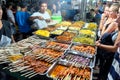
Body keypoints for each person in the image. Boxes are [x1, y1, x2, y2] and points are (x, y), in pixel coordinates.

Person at [96, 6, 120, 79]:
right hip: (110, 56)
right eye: (118, 13)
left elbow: (115, 48)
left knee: (105, 73)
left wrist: (100, 45)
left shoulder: (114, 24)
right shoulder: (115, 24)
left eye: (110, 11)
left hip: (112, 57)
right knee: (104, 72)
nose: (118, 15)